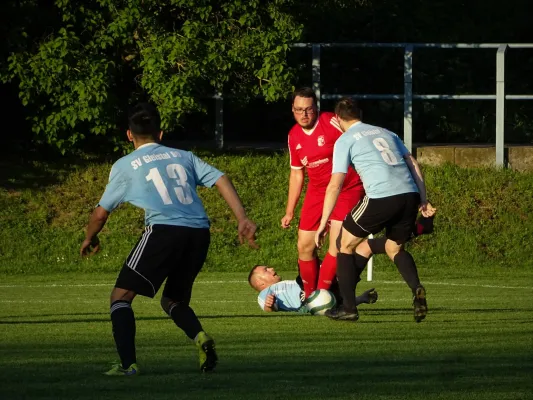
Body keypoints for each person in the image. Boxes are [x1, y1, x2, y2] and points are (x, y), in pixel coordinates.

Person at [80, 103, 258, 376]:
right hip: (199, 233)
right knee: (173, 300)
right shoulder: (183, 156)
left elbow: (100, 213)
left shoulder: (125, 165)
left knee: (120, 297)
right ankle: (200, 337)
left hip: (163, 231)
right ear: (160, 133)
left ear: (129, 135)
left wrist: (89, 237)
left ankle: (128, 365)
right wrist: (242, 218)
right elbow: (221, 178)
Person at [315, 97, 436, 323]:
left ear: (338, 118)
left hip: (381, 197)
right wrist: (423, 199)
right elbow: (412, 162)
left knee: (343, 244)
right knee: (393, 247)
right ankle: (416, 288)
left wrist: (323, 223)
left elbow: (335, 184)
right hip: (409, 195)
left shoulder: (345, 139)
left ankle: (348, 308)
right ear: (360, 114)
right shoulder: (386, 132)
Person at [281, 87, 365, 298]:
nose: (304, 114)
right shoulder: (293, 136)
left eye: (308, 109)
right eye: (299, 110)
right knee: (304, 245)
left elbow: (359, 138)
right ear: (292, 109)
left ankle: (322, 294)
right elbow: (297, 174)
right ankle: (310, 297)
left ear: (316, 108)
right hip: (318, 191)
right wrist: (289, 211)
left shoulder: (331, 121)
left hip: (347, 188)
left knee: (336, 244)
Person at [248, 265, 378, 313]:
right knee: (304, 272)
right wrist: (269, 306)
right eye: (266, 270)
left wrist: (360, 299)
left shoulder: (287, 283)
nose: (271, 269)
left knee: (333, 299)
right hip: (305, 303)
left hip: (313, 294)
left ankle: (357, 293)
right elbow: (268, 309)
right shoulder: (266, 293)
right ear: (260, 282)